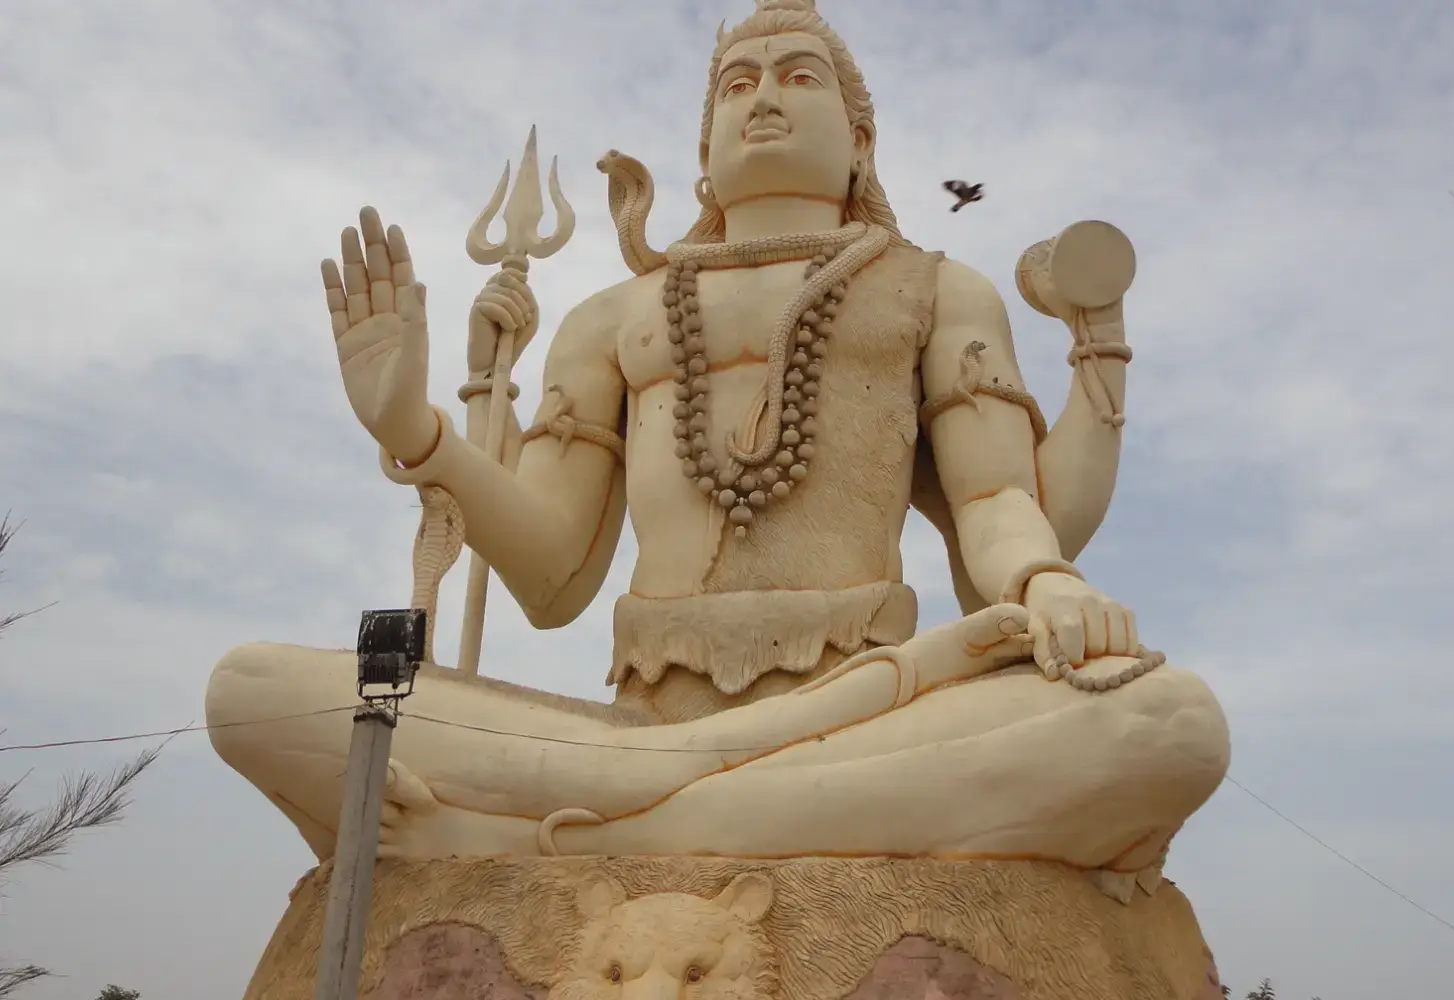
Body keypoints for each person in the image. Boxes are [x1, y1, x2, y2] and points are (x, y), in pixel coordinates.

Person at [207, 0, 1228, 874]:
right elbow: (554, 574)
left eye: (797, 76)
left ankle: (584, 841)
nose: (764, 97)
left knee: (1169, 723)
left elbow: (999, 508)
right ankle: (688, 810)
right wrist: (418, 430)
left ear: (861, 138)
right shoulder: (613, 317)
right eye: (736, 85)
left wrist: (1045, 582)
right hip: (636, 730)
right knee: (251, 693)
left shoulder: (933, 290)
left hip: (865, 718)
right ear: (703, 149)